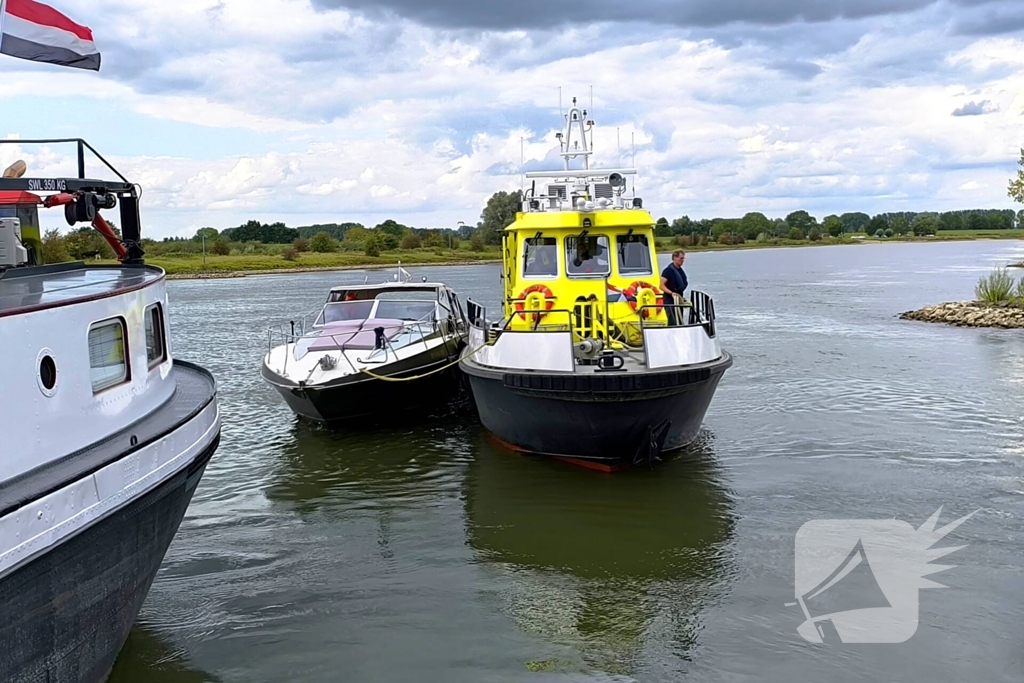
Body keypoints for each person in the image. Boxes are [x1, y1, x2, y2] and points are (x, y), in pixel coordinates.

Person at [660, 250, 688, 326]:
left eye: (683, 258)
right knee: (672, 321)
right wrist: (671, 293)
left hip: (678, 298)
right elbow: (661, 286)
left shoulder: (680, 271)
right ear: (675, 258)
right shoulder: (667, 271)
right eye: (681, 258)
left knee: (679, 319)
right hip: (670, 299)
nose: (682, 260)